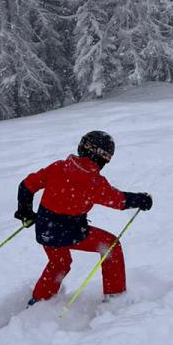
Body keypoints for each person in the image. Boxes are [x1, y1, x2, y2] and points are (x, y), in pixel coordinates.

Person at [15, 130, 153, 304]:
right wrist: (141, 199)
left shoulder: (58, 167)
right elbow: (119, 201)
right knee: (111, 246)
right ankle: (115, 298)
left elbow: (26, 186)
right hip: (72, 233)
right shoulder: (94, 182)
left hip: (45, 230)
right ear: (103, 158)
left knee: (60, 263)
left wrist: (25, 212)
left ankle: (39, 302)